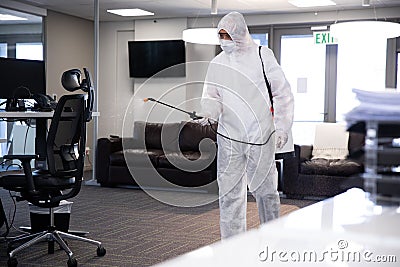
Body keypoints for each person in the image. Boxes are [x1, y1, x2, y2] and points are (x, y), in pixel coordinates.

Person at [199, 11, 294, 239]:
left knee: (266, 192)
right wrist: (209, 112)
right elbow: (212, 96)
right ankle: (232, 244)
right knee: (230, 194)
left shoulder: (262, 55)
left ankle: (273, 237)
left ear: (240, 33)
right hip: (229, 137)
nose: (224, 40)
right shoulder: (217, 63)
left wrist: (282, 127)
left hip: (259, 135)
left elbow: (283, 94)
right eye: (220, 35)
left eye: (228, 35)